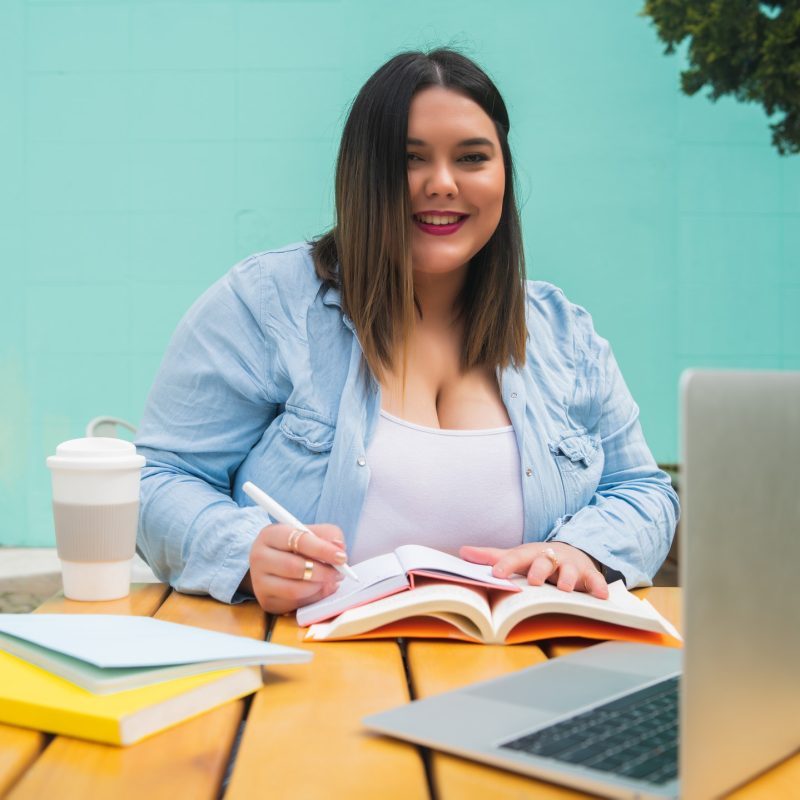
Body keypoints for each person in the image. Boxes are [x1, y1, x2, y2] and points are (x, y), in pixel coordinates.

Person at [135, 48, 679, 615]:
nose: (442, 184)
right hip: (311, 676)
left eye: (472, 158)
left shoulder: (565, 335)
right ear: (361, 173)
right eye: (410, 159)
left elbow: (643, 491)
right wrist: (243, 552)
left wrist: (580, 550)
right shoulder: (265, 303)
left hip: (523, 667)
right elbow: (156, 479)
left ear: (503, 174)